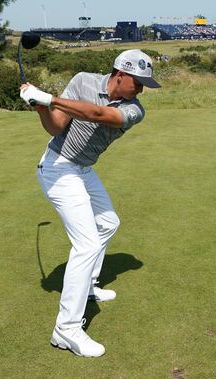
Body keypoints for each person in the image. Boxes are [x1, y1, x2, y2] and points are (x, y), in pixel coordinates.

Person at [19, 49, 161, 358]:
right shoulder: (83, 81)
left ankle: (89, 284)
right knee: (85, 245)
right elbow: (57, 126)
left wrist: (49, 98)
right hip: (57, 168)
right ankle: (66, 329)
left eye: (143, 85)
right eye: (137, 83)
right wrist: (40, 107)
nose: (140, 91)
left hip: (83, 169)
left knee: (108, 223)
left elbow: (97, 115)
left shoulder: (134, 110)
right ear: (119, 74)